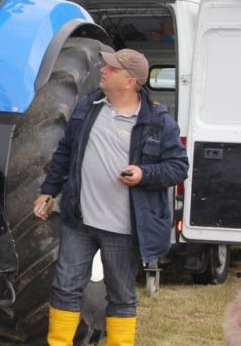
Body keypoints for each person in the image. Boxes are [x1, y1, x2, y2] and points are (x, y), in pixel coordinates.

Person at [33, 48, 188, 346]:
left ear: (130, 81)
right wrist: (48, 191)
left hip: (123, 229)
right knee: (65, 288)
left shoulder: (158, 123)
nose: (103, 70)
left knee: (120, 296)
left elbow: (179, 167)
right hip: (79, 222)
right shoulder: (88, 107)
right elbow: (65, 152)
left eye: (112, 69)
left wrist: (144, 174)